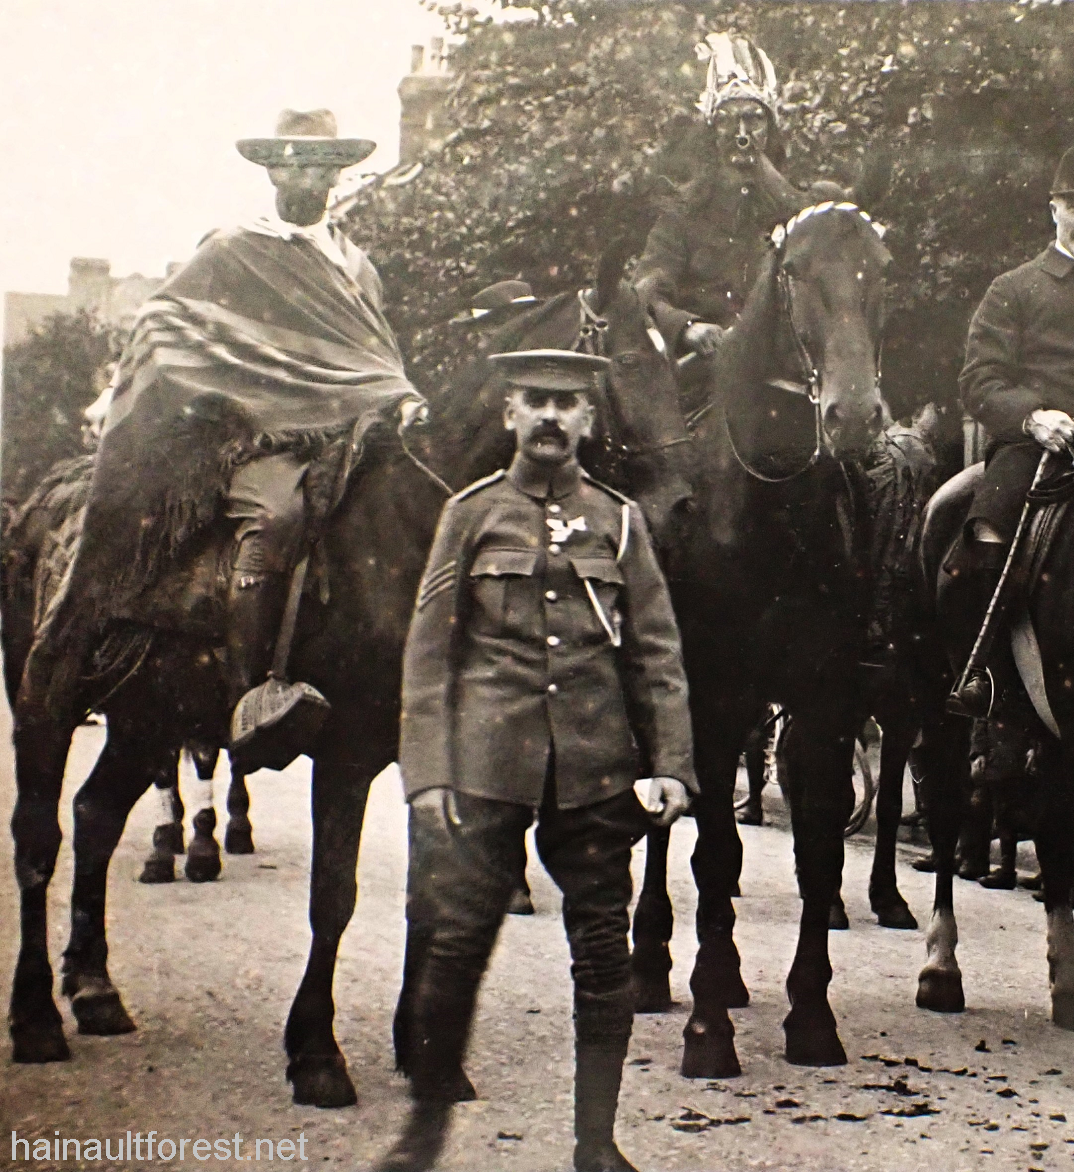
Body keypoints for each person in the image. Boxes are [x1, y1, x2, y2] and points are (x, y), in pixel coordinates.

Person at [24, 109, 423, 773]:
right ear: (271, 169)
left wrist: (403, 399)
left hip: (347, 438)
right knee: (275, 517)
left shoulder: (357, 267)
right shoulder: (235, 248)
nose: (307, 174)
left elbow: (373, 358)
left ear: (337, 172)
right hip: (255, 438)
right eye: (293, 160)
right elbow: (167, 320)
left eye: (320, 162)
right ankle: (249, 694)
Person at [376, 349, 695, 1172]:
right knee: (454, 950)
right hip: (486, 767)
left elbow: (655, 653)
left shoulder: (620, 521)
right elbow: (429, 654)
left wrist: (671, 765)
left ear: (589, 419)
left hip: (594, 772)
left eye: (568, 404)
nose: (552, 418)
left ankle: (597, 1144)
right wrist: (429, 773)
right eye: (536, 402)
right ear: (511, 414)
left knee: (603, 955)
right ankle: (423, 1136)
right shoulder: (470, 514)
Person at [948, 139, 1074, 785]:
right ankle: (992, 692)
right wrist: (1036, 417)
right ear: (1053, 210)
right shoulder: (1014, 289)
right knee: (982, 538)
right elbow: (980, 379)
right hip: (1037, 451)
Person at [631, 31, 808, 410]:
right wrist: (688, 327)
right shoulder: (681, 217)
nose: (742, 136)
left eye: (753, 121)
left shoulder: (798, 213)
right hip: (707, 386)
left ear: (770, 132)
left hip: (789, 386)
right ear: (712, 135)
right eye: (728, 122)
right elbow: (646, 290)